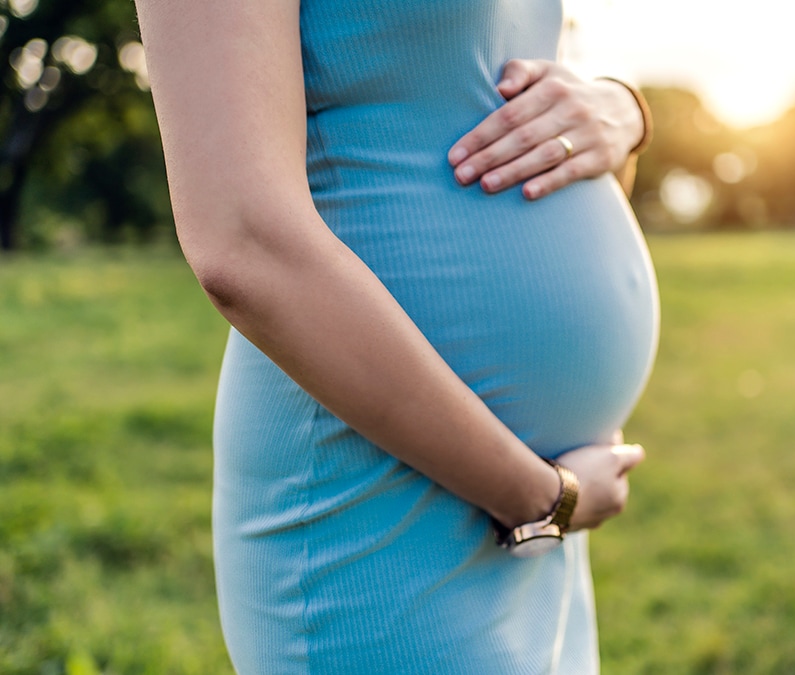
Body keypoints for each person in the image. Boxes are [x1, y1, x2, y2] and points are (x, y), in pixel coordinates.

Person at [134, 0, 659, 672]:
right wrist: (537, 499)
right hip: (374, 488)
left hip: (527, 502)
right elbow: (242, 241)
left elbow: (507, 89)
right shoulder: (529, 499)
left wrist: (620, 111)